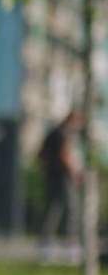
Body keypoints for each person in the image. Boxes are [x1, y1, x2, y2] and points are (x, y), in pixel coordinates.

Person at [38, 111, 85, 264]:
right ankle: (70, 241)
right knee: (72, 207)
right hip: (63, 176)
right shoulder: (63, 135)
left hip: (52, 175)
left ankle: (47, 241)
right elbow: (65, 155)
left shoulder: (52, 134)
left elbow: (40, 156)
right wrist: (74, 173)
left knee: (54, 208)